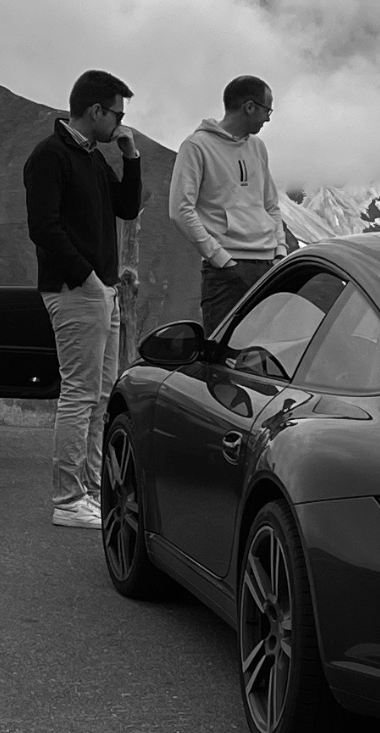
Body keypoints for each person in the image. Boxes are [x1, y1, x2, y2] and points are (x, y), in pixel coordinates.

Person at [25, 69, 143, 529]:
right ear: (95, 110)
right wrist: (88, 279)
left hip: (101, 290)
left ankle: (92, 490)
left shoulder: (92, 156)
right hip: (76, 290)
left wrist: (130, 157)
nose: (120, 123)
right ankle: (68, 500)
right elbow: (44, 227)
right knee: (79, 393)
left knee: (100, 395)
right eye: (117, 115)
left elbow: (126, 207)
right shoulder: (51, 155)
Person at [171, 75, 292, 327]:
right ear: (249, 107)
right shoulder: (196, 146)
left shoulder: (258, 147)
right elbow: (180, 209)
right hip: (226, 272)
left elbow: (270, 205)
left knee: (264, 346)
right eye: (267, 110)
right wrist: (220, 258)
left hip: (267, 266)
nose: (268, 118)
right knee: (223, 346)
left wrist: (280, 251)